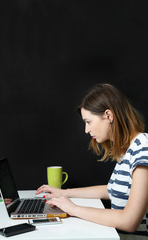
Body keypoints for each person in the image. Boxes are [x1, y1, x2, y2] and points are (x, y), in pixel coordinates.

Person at [36, 83, 148, 240]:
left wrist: (73, 209)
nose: (86, 130)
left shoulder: (143, 148)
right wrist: (65, 193)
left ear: (109, 116)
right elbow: (111, 190)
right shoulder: (128, 150)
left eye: (88, 122)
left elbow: (129, 221)